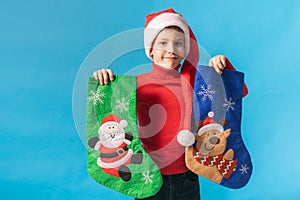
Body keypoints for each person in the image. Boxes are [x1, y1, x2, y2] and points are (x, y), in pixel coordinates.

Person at [93, 8, 248, 200]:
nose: (171, 50)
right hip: (149, 177)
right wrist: (103, 80)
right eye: (163, 43)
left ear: (187, 48)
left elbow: (240, 93)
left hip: (187, 176)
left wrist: (223, 67)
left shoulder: (195, 81)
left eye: (179, 43)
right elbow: (108, 112)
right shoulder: (136, 84)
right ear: (150, 49)